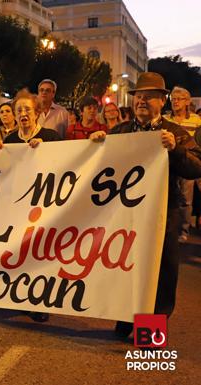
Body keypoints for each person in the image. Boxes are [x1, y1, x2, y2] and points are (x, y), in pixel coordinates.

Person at [88, 72, 201, 340]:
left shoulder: (175, 133)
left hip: (164, 213)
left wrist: (176, 150)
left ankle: (150, 330)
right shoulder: (120, 132)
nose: (142, 101)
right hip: (125, 214)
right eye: (139, 96)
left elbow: (196, 167)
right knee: (124, 265)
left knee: (161, 271)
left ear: (162, 102)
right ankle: (125, 320)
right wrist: (96, 146)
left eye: (149, 97)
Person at [0, 90, 60, 323]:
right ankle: (20, 296)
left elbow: (70, 161)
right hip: (17, 206)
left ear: (37, 112)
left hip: (43, 205)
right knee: (19, 253)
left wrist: (46, 151)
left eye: (27, 110)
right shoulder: (10, 141)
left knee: (39, 254)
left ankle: (40, 301)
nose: (22, 114)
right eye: (18, 110)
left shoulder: (50, 137)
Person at [163, 86, 201, 243]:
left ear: (187, 102)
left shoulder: (196, 120)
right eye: (173, 99)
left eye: (179, 99)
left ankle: (183, 230)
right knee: (169, 197)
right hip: (169, 164)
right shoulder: (165, 119)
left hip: (186, 162)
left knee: (186, 199)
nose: (175, 102)